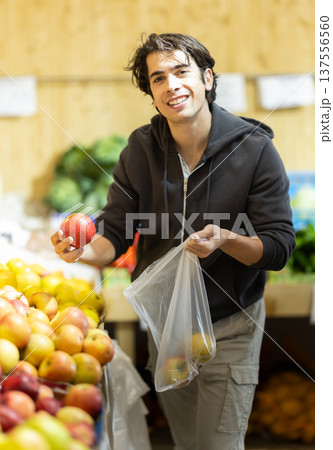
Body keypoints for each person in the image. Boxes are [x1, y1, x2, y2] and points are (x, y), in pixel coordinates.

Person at [51, 33, 296, 450]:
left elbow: (277, 247)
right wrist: (82, 251)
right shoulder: (140, 150)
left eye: (182, 72)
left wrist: (226, 240)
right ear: (152, 93)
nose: (172, 85)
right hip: (167, 330)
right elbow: (115, 233)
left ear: (206, 77)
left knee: (218, 444)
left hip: (231, 327)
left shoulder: (255, 150)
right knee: (185, 444)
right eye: (158, 78)